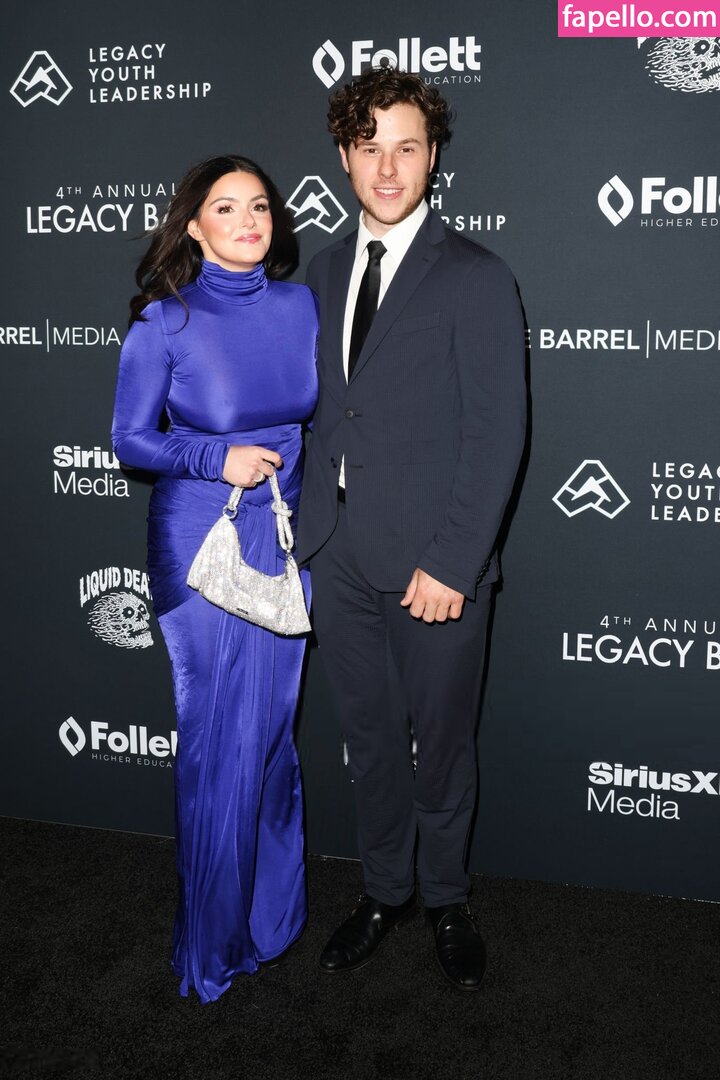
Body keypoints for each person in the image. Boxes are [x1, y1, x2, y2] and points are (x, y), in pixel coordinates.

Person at [297, 68, 526, 991]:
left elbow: (497, 433)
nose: (387, 169)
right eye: (369, 148)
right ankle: (385, 890)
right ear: (344, 156)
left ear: (433, 157)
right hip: (337, 555)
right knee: (370, 741)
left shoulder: (476, 275)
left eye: (406, 148)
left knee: (442, 745)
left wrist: (455, 561)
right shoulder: (319, 273)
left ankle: (447, 899)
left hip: (436, 564)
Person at [111, 155, 318, 1004]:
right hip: (201, 539)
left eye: (259, 206)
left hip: (285, 535)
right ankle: (212, 943)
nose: (248, 221)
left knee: (269, 736)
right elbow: (130, 439)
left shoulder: (302, 305)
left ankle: (271, 921)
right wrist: (214, 457)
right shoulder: (165, 322)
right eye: (225, 208)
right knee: (217, 740)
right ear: (193, 226)